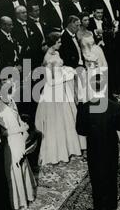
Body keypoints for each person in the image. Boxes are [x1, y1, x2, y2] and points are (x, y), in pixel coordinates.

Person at [76, 73, 120, 210]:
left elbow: (80, 130)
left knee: (96, 177)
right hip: (111, 148)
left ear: (91, 88)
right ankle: (111, 205)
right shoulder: (116, 106)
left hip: (94, 148)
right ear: (105, 87)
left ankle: (99, 209)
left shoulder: (85, 108)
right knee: (111, 174)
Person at [35, 32, 85, 166]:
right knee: (58, 121)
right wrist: (67, 77)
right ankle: (59, 151)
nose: (61, 43)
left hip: (61, 89)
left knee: (67, 118)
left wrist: (66, 69)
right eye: (59, 42)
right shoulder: (48, 58)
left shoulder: (56, 54)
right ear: (53, 43)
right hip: (54, 92)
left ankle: (70, 147)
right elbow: (50, 81)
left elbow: (59, 68)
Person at [0, 79, 37, 210]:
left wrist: (23, 124)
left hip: (19, 139)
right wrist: (20, 129)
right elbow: (2, 133)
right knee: (15, 169)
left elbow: (17, 118)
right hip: (10, 143)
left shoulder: (11, 101)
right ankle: (18, 201)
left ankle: (28, 195)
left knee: (23, 165)